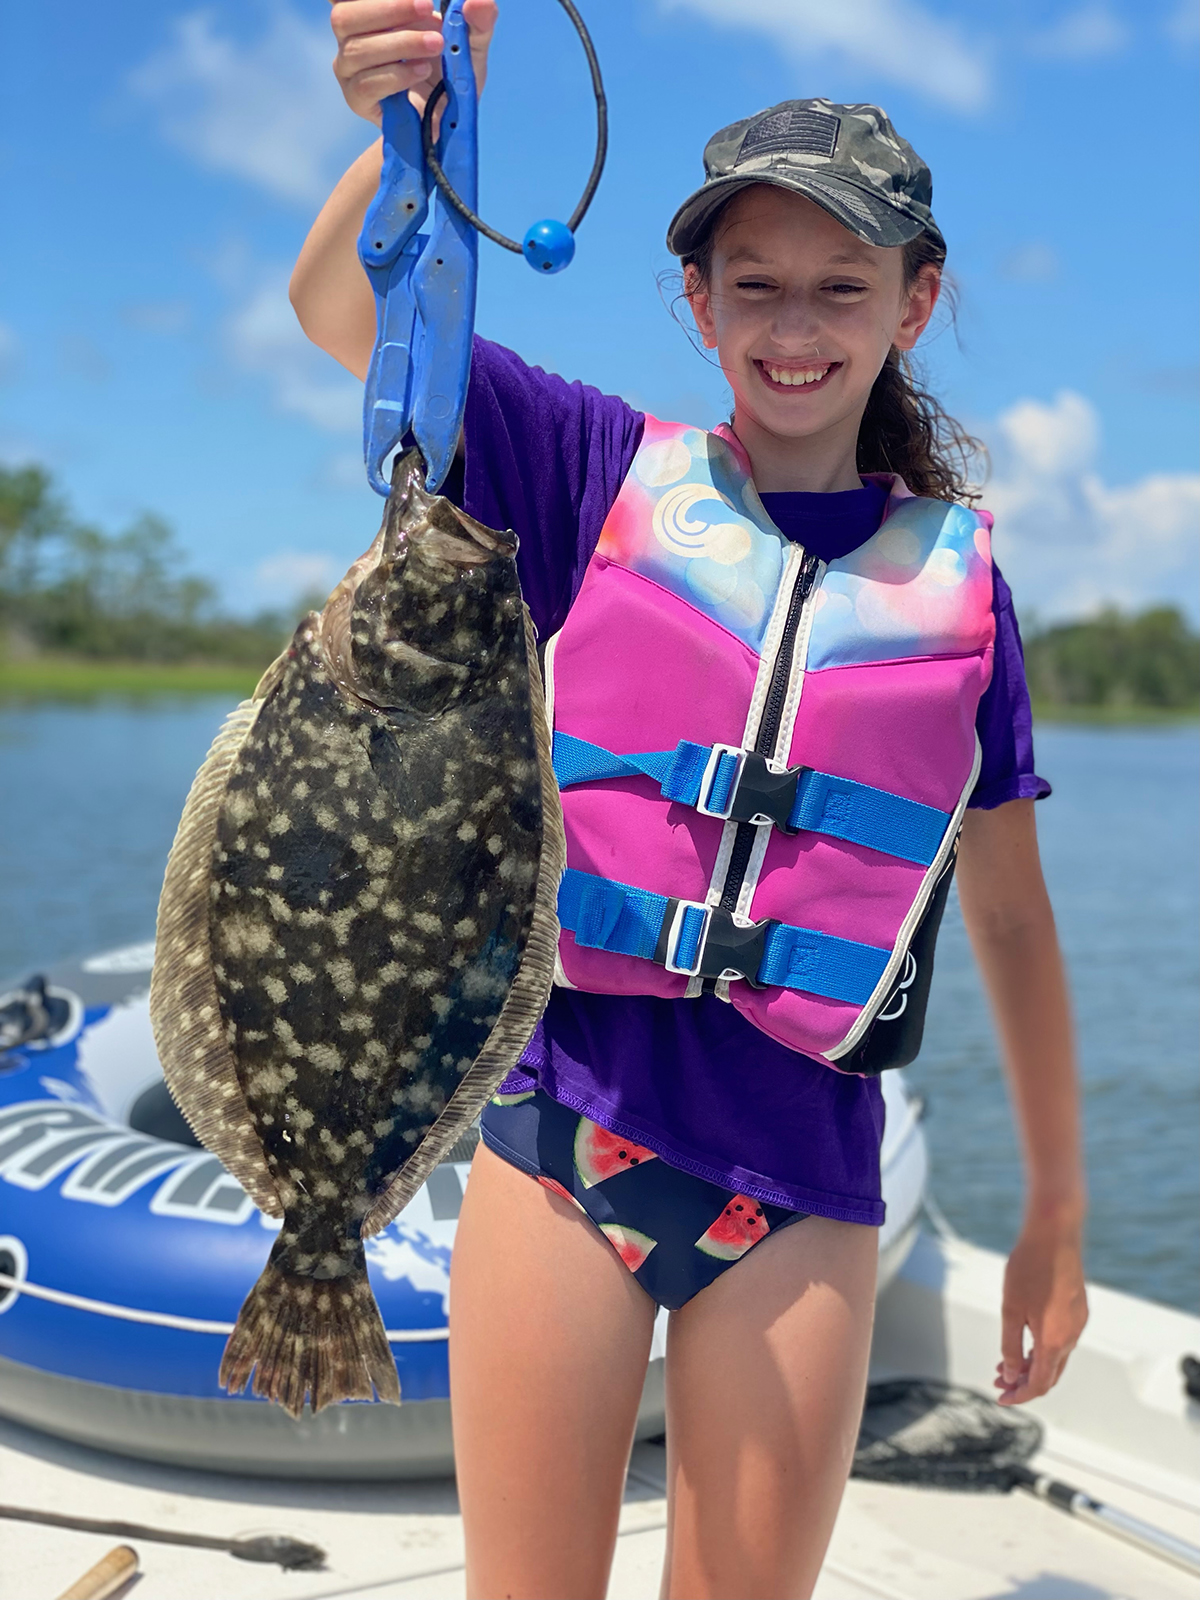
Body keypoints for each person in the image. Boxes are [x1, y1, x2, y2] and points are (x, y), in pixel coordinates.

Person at [294, 4, 1089, 1594]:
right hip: (558, 1139)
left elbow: (1007, 911)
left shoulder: (966, 597)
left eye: (842, 287)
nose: (796, 327)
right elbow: (345, 316)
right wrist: (404, 119)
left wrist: (1058, 1211)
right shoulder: (588, 466)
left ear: (915, 305)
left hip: (799, 1187)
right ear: (698, 302)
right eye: (755, 286)